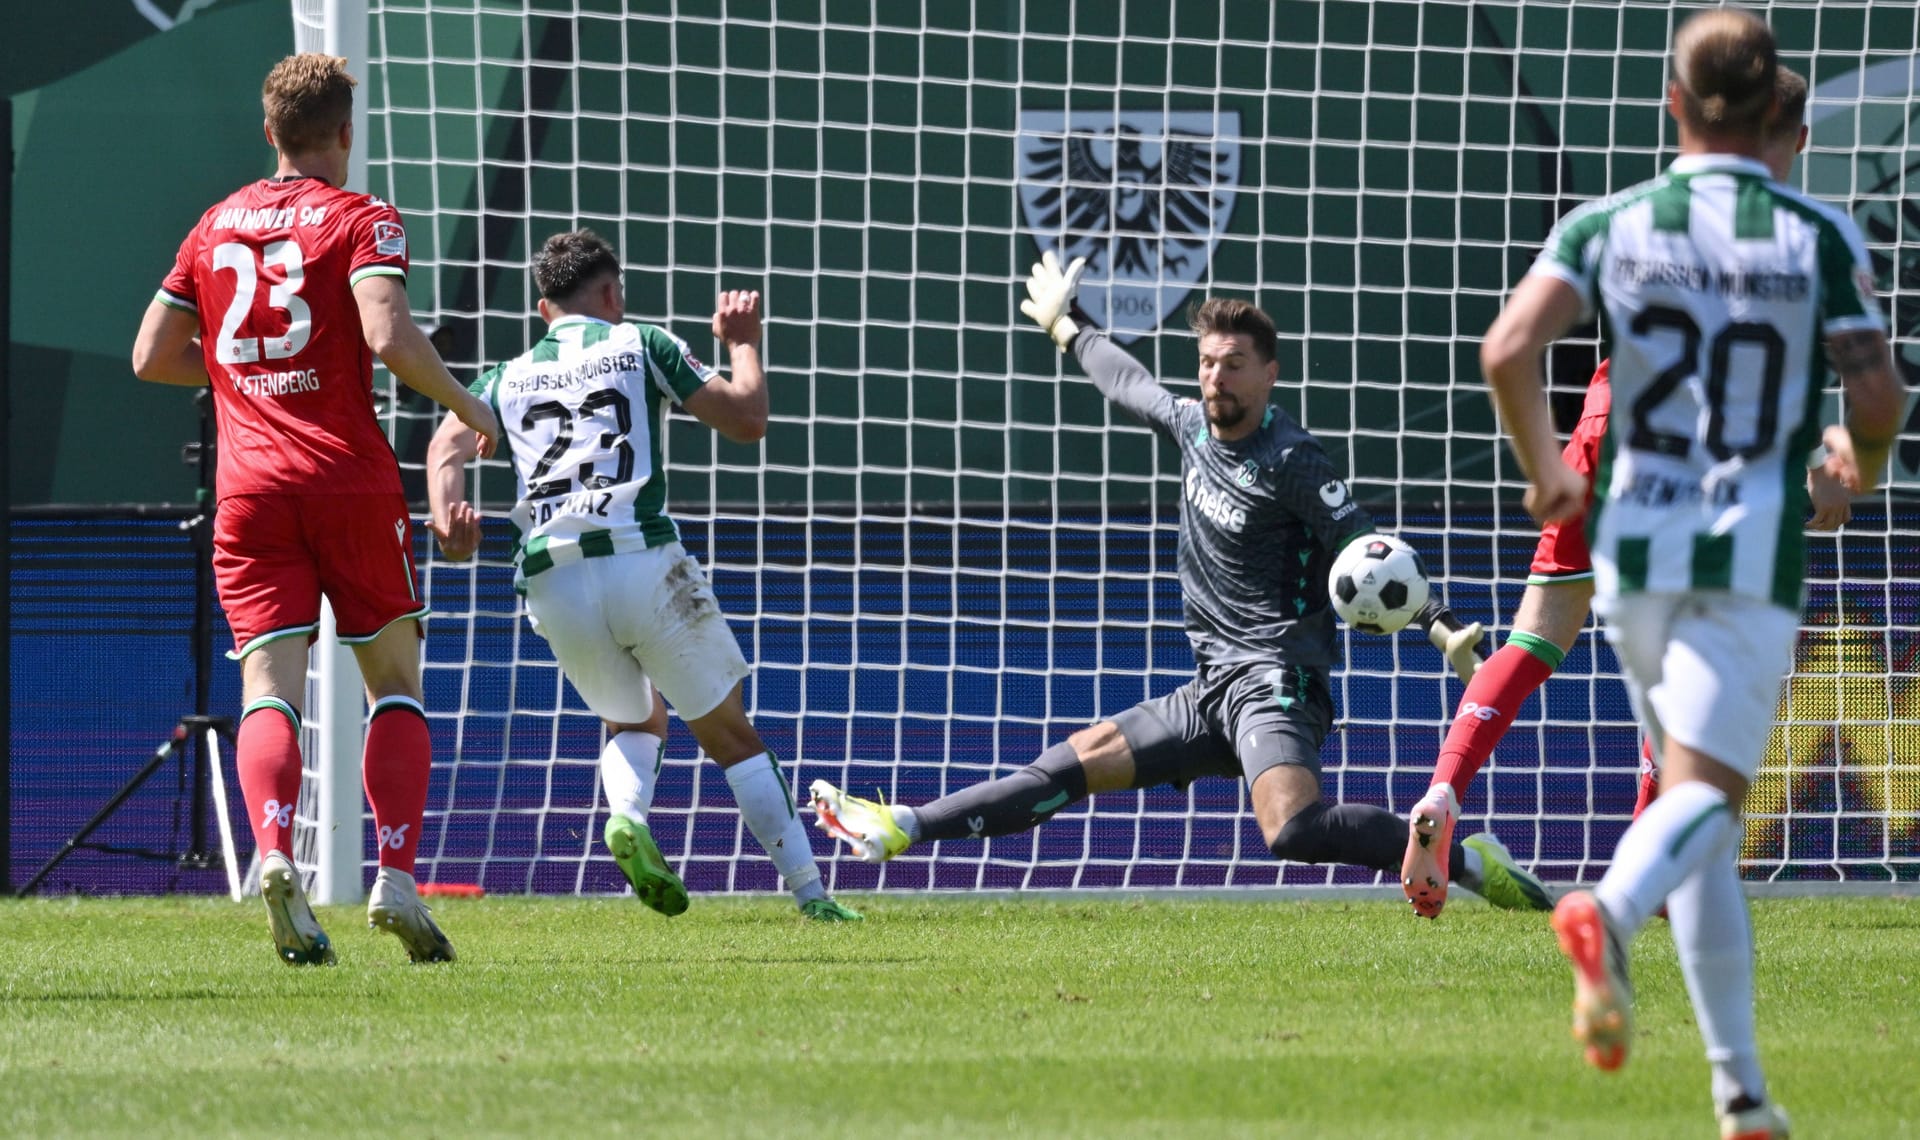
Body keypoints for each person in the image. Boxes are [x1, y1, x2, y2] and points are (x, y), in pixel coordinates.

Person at [808, 259, 1551, 912]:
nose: (1214, 378)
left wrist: (1440, 622)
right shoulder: (1193, 427)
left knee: (1290, 830)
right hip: (1210, 689)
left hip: (1276, 680)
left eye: (1231, 364)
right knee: (1066, 768)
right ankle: (902, 823)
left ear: (1269, 372)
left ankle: (1467, 861)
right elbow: (1129, 384)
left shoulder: (1293, 459)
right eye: (1205, 363)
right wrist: (1069, 330)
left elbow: (1363, 544)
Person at [1479, 11, 1903, 1138]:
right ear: (1776, 109)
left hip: (1630, 551)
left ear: (1672, 103)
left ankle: (1743, 1096)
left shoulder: (1611, 223)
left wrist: (1545, 476)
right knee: (1708, 796)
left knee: (1691, 807)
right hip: (1746, 555)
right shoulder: (1817, 234)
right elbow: (1878, 395)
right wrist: (1853, 465)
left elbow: (1509, 350)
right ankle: (1610, 914)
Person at [1401, 64, 1855, 921]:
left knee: (1535, 636)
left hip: (1605, 420)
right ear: (1796, 138)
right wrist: (1821, 469)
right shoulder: (1792, 236)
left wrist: (1546, 465)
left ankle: (1446, 788)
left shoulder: (1636, 213)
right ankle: (1635, 889)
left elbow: (1511, 345)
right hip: (1694, 452)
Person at [130, 54, 501, 965]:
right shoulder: (362, 216)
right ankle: (399, 879)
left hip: (248, 490)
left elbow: (149, 354)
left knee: (268, 689)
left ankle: (269, 854)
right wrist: (467, 406)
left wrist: (238, 382)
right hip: (346, 479)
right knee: (395, 681)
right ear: (344, 132)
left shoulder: (214, 223)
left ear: (269, 132)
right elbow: (386, 332)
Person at [425, 229, 861, 922]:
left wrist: (449, 515)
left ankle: (626, 818)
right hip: (640, 558)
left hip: (550, 580)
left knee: (633, 717)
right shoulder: (641, 343)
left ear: (544, 311)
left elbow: (448, 437)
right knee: (729, 736)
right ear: (609, 293)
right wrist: (743, 341)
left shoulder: (506, 377)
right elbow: (747, 419)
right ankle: (812, 894)